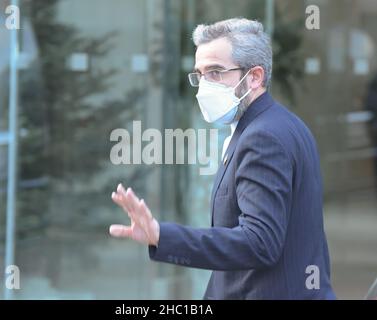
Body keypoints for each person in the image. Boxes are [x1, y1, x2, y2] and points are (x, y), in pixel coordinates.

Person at [109, 18, 336, 299]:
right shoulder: (282, 124)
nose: (204, 86)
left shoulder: (263, 137)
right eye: (200, 74)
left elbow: (259, 242)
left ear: (255, 77)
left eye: (215, 72)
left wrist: (161, 235)